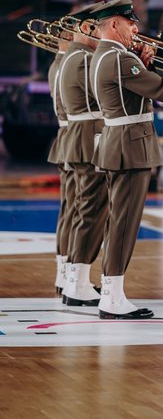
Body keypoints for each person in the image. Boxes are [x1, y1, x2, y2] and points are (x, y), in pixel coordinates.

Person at [90, 0, 163, 319]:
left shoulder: (107, 56)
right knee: (124, 222)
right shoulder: (119, 59)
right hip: (129, 145)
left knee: (121, 220)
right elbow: (159, 89)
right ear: (114, 24)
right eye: (130, 23)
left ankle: (112, 290)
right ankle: (112, 296)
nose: (135, 29)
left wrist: (144, 63)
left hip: (121, 143)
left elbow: (137, 89)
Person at [60, 3, 108, 307]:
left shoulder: (74, 56)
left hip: (82, 137)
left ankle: (75, 279)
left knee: (84, 210)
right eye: (99, 27)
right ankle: (77, 281)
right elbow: (110, 90)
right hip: (88, 138)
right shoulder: (86, 58)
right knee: (90, 212)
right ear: (87, 28)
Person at [47, 29, 75, 295]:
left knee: (70, 209)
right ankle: (67, 272)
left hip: (66, 137)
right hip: (73, 137)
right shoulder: (67, 64)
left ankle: (64, 271)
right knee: (74, 210)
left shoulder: (59, 64)